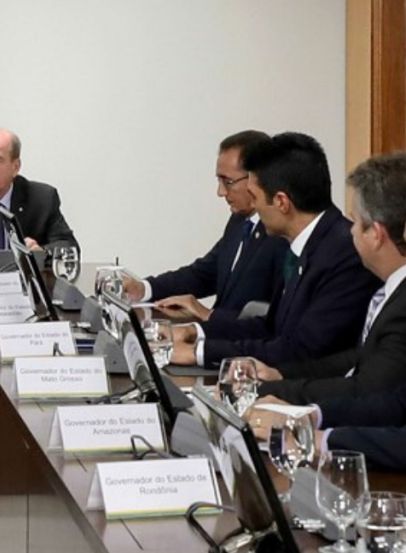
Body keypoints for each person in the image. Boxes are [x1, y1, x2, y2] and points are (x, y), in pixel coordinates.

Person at [171, 132, 379, 368]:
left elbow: (302, 351)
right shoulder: (306, 243)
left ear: (281, 202)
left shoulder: (345, 254)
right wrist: (194, 332)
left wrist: (199, 353)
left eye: (255, 196)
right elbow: (271, 328)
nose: (254, 206)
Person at [248, 151, 406, 403]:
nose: (350, 231)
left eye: (355, 223)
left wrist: (271, 393)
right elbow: (360, 358)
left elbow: (371, 390)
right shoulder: (392, 292)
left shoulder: (401, 308)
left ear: (376, 234)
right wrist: (280, 375)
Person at [123, 131, 288, 323]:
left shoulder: (280, 234)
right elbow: (204, 274)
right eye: (219, 181)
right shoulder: (239, 221)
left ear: (255, 178)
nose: (220, 192)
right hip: (215, 336)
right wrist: (144, 288)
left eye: (228, 182)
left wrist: (207, 314)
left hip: (242, 341)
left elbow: (274, 321)